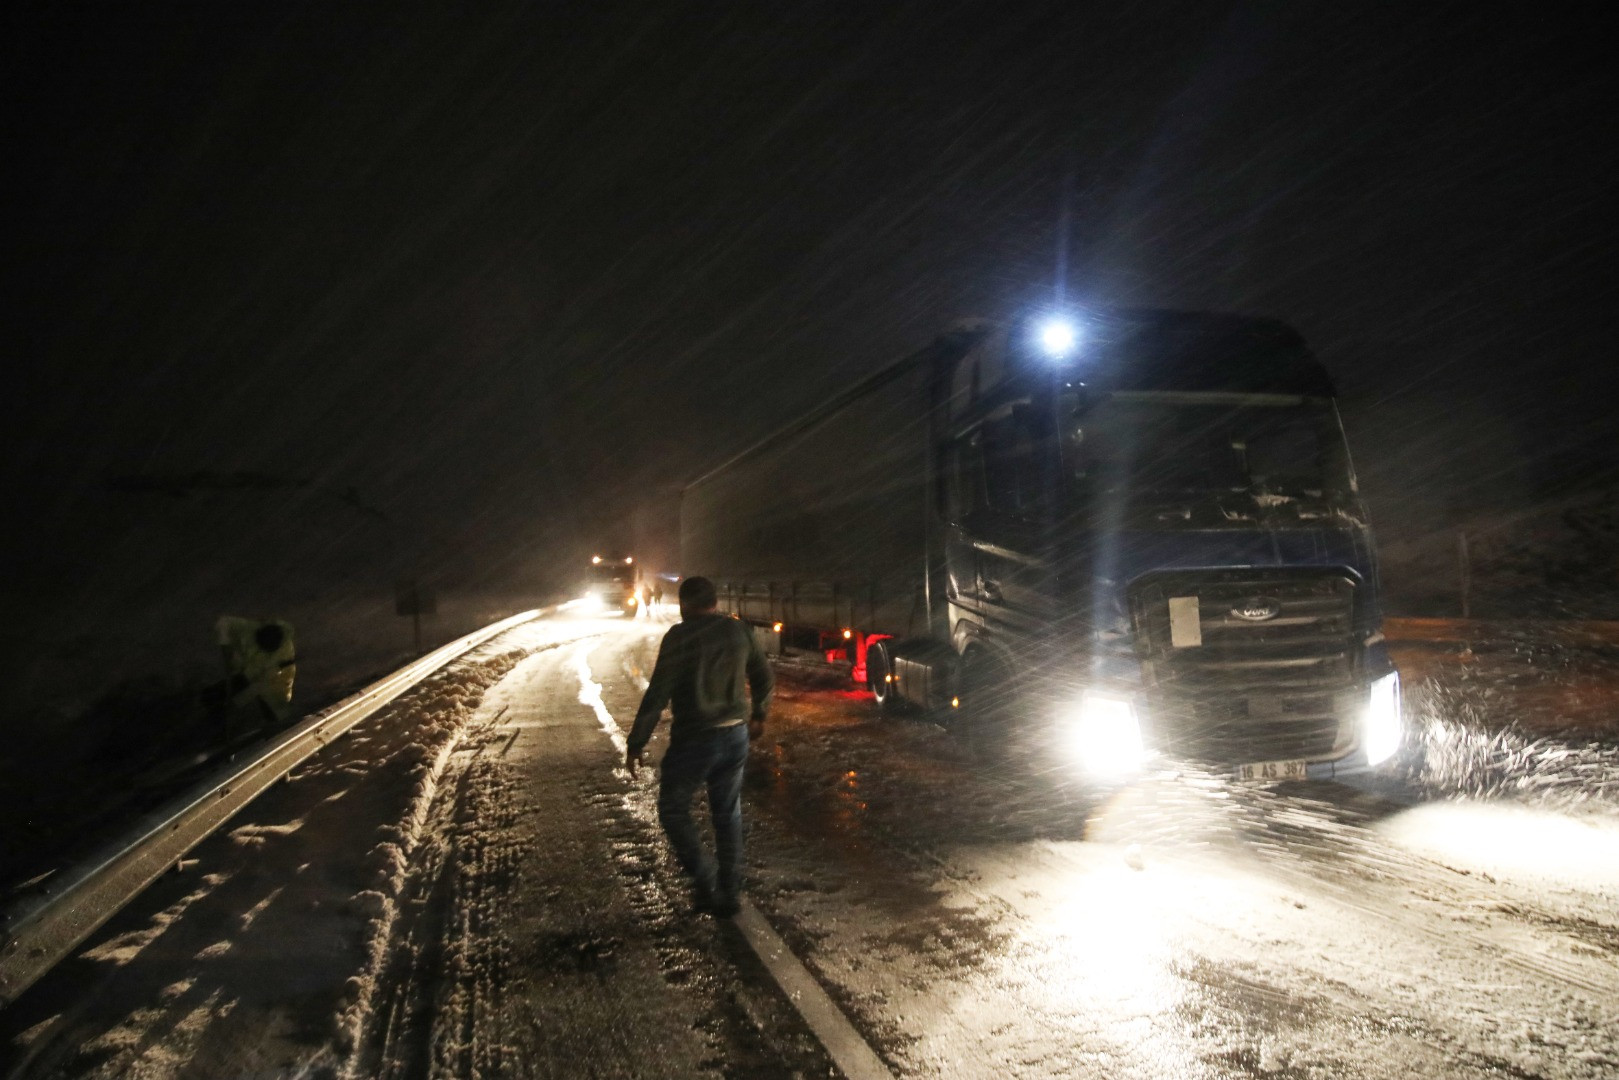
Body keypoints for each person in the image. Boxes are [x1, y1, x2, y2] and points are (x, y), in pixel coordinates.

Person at [626, 576, 772, 917]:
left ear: (682, 605)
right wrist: (760, 714)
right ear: (716, 602)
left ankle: (705, 878)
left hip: (695, 738)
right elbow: (765, 676)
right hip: (735, 736)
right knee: (727, 812)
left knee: (673, 809)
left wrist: (636, 742)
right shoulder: (739, 631)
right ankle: (730, 891)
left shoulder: (679, 637)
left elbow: (658, 693)